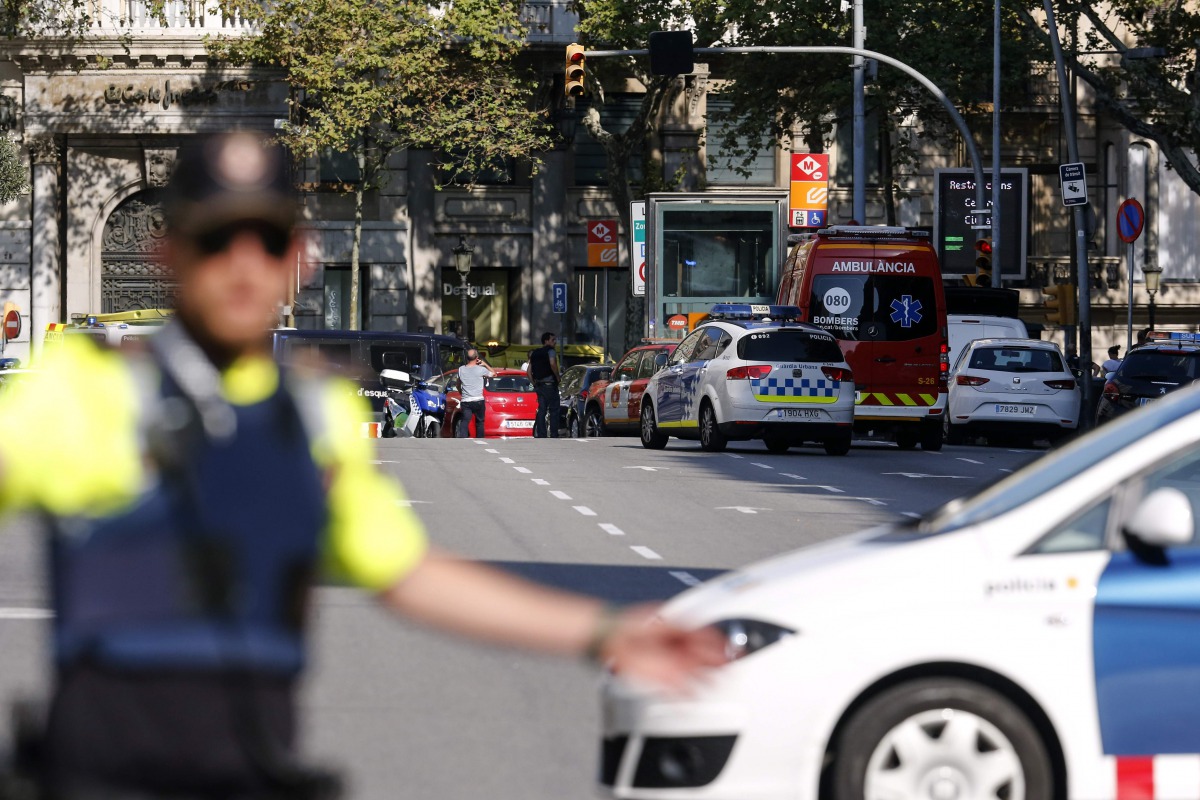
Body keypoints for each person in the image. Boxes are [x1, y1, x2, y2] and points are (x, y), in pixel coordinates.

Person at [0, 132, 725, 799]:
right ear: (171, 253)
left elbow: (407, 574)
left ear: (299, 255)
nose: (244, 264)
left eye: (267, 238)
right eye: (217, 239)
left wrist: (603, 632)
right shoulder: (85, 392)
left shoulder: (316, 417)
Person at [457, 346, 495, 438]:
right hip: (478, 400)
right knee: (480, 422)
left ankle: (463, 440)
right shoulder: (481, 369)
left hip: (466, 401)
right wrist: (485, 364)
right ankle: (480, 439)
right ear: (477, 358)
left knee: (465, 421)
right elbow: (494, 373)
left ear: (467, 358)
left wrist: (462, 393)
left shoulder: (461, 369)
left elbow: (457, 384)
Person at [528, 331, 560, 438]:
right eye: (553, 340)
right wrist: (558, 377)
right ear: (546, 341)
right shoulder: (551, 351)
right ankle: (554, 433)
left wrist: (534, 383)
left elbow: (528, 372)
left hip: (539, 385)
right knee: (554, 409)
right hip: (550, 384)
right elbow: (552, 363)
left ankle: (541, 433)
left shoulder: (534, 353)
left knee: (542, 409)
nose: (555, 342)